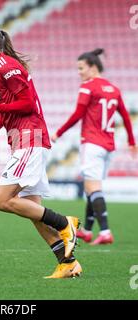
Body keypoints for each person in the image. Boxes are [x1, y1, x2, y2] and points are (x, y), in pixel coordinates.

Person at [0, 22, 82, 278]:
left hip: (31, 138)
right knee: (34, 212)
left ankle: (66, 223)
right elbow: (11, 106)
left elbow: (27, 104)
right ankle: (68, 263)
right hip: (21, 139)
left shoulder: (7, 67)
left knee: (2, 200)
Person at [51, 48, 137, 245]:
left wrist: (58, 133)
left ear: (92, 67)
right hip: (108, 146)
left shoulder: (88, 87)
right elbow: (124, 116)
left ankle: (105, 231)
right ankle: (88, 231)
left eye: (81, 68)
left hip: (92, 143)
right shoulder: (114, 89)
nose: (79, 72)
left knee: (93, 187)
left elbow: (78, 114)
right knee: (92, 188)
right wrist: (132, 141)